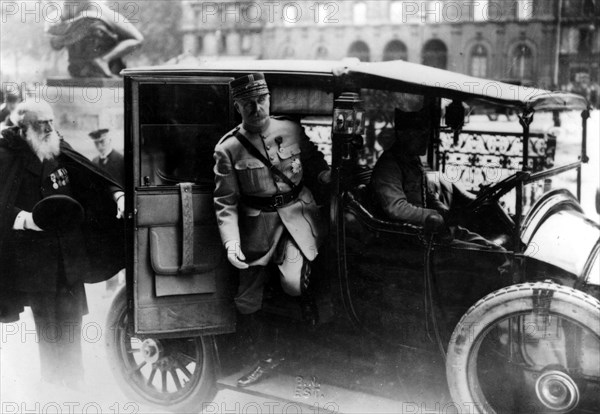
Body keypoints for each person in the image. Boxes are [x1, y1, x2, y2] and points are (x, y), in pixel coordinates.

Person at [213, 73, 330, 387]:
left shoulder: (290, 129)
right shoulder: (228, 149)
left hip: (297, 218)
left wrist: (327, 178)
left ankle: (303, 344)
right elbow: (225, 201)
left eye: (261, 100)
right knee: (246, 300)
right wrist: (231, 243)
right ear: (238, 106)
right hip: (258, 228)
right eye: (248, 103)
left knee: (294, 282)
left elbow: (316, 164)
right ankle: (265, 357)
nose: (256, 108)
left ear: (269, 99)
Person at [0, 100, 125, 389]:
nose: (50, 128)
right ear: (25, 128)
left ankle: (75, 380)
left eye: (51, 121)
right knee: (48, 326)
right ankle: (54, 383)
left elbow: (92, 178)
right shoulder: (6, 155)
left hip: (69, 256)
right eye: (42, 123)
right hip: (36, 261)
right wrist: (24, 219)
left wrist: (117, 195)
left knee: (72, 321)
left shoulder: (58, 146)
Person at [371, 106, 503, 250]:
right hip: (410, 238)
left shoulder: (412, 160)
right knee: (487, 256)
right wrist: (434, 215)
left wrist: (444, 211)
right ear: (403, 135)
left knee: (494, 249)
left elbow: (427, 195)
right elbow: (396, 208)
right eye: (421, 136)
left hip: (431, 230)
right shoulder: (389, 165)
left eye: (426, 135)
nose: (426, 141)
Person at [46, 0, 143, 78]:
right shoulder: (59, 15)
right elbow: (55, 45)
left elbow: (138, 39)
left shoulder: (100, 10)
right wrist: (66, 34)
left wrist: (105, 59)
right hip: (78, 71)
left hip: (108, 71)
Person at [89, 128, 125, 295]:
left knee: (123, 250)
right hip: (103, 217)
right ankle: (111, 289)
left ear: (109, 140)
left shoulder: (121, 160)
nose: (100, 146)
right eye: (96, 143)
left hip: (120, 214)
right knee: (107, 252)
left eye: (102, 141)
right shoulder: (94, 162)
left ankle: (125, 287)